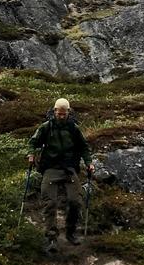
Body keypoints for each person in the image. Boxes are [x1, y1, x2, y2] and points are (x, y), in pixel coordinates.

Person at [27, 98, 94, 252]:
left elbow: (84, 147)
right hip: (51, 168)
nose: (62, 116)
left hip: (69, 168)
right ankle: (51, 238)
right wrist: (31, 154)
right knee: (49, 202)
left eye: (64, 114)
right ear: (55, 111)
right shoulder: (46, 127)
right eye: (59, 113)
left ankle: (70, 232)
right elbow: (32, 142)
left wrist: (89, 162)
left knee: (75, 201)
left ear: (68, 112)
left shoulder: (73, 128)